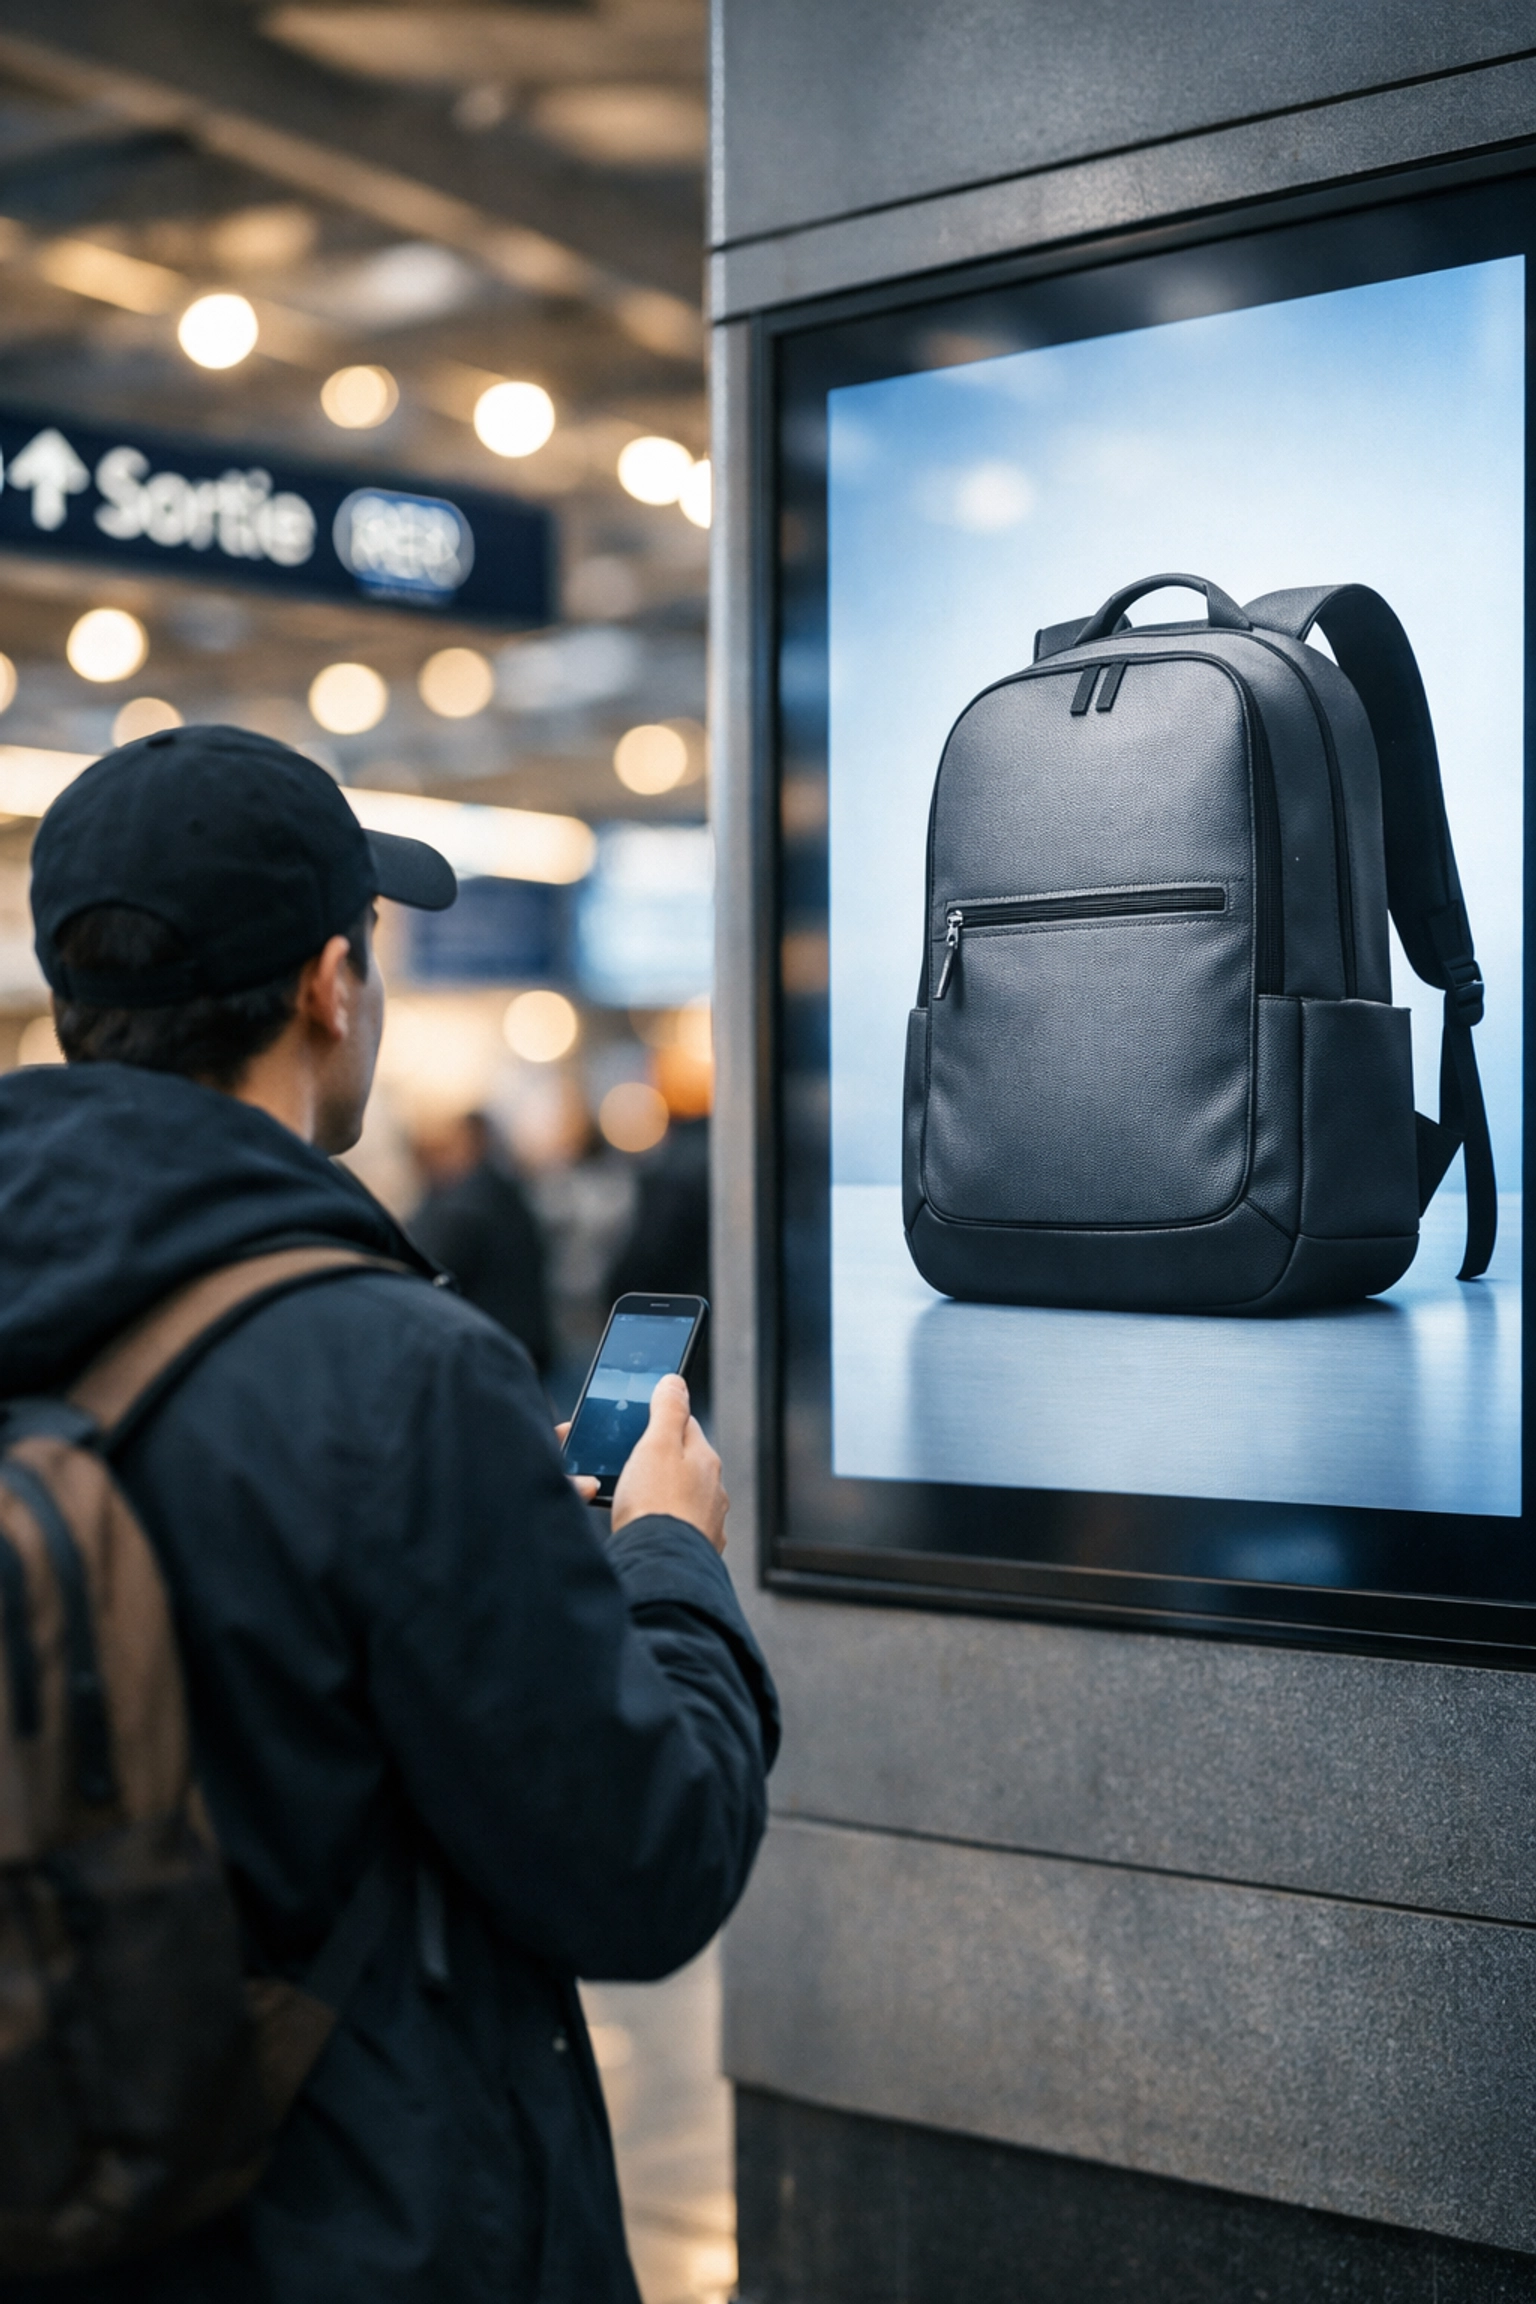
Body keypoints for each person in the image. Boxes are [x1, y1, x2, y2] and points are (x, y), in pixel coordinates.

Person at [0, 725, 777, 2304]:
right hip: (360, 2228)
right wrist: (668, 1558)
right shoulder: (393, 1376)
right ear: (329, 989)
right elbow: (646, 1862)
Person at [410, 1111, 554, 1374]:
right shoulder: (510, 1192)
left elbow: (428, 1268)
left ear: (469, 1144)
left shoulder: (465, 1206)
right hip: (526, 1340)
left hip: (493, 1348)